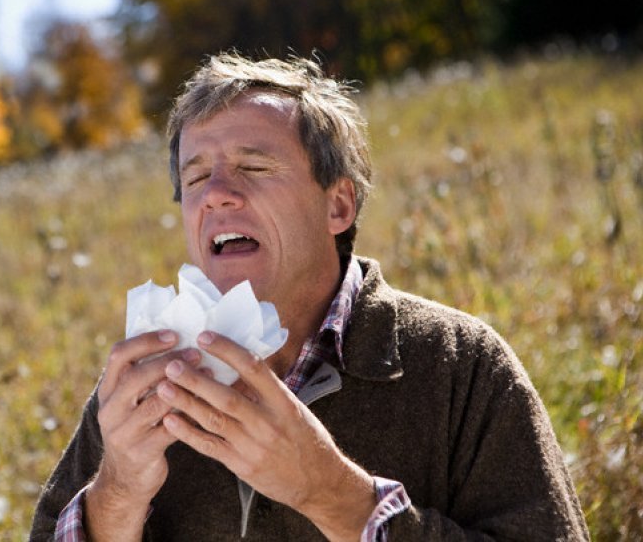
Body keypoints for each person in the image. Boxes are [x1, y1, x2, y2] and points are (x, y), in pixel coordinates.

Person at [30, 53, 588, 541]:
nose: (217, 195)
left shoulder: (461, 366)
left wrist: (330, 493)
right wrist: (119, 491)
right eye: (195, 178)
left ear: (338, 205)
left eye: (254, 166)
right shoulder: (143, 384)